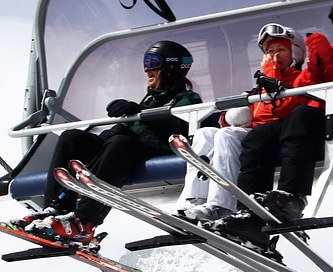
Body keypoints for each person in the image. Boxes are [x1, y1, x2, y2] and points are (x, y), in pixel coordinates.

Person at [210, 0, 333, 250]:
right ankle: (249, 211)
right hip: (320, 118)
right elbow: (296, 94)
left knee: (301, 116)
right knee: (260, 134)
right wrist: (314, 67)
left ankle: (292, 197)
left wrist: (331, 56)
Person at [17, 40, 201, 243]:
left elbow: (179, 125)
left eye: (153, 62)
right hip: (127, 145)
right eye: (145, 62)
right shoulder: (150, 98)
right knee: (73, 138)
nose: (146, 69)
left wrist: (139, 113)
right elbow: (131, 128)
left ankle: (85, 221)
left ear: (171, 68)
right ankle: (54, 210)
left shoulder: (188, 98)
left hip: (156, 149)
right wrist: (114, 130)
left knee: (120, 143)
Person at [175, 23, 306, 223]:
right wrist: (229, 117)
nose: (274, 56)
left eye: (281, 50)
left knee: (226, 135)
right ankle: (194, 199)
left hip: (277, 134)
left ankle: (222, 204)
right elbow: (246, 111)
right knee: (205, 134)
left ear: (295, 54)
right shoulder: (261, 86)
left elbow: (279, 107)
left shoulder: (299, 80)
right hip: (256, 133)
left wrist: (270, 72)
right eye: (270, 51)